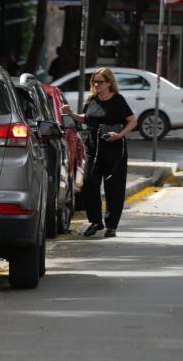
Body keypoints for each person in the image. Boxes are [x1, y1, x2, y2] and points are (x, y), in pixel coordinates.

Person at [62, 68, 137, 238]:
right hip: (93, 149)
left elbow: (132, 121)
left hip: (114, 149)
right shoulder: (92, 100)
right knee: (89, 184)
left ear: (109, 83)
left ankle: (111, 226)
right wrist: (71, 114)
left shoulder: (118, 100)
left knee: (114, 189)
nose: (96, 85)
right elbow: (86, 118)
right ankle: (96, 221)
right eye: (94, 81)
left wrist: (120, 135)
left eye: (100, 82)